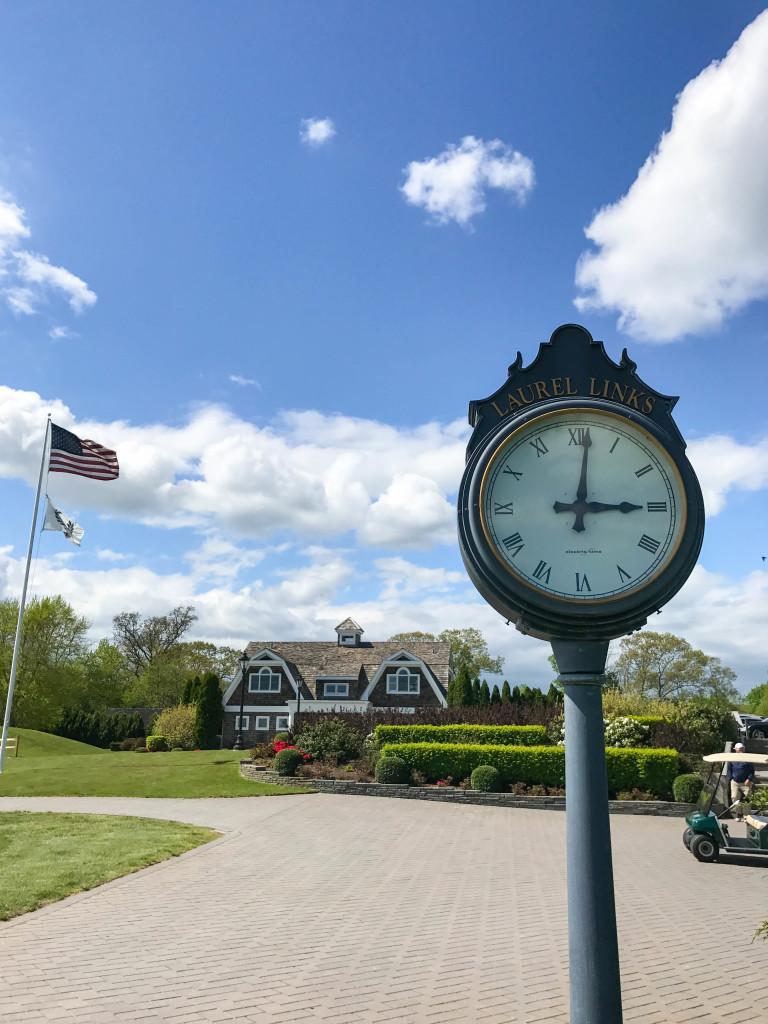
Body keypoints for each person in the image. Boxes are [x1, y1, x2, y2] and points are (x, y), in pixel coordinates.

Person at [727, 743, 754, 820]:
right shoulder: (732, 759)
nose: (741, 750)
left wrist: (749, 779)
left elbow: (752, 771)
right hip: (735, 781)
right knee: (734, 797)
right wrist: (730, 778)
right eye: (739, 748)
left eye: (742, 748)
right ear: (735, 750)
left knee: (747, 798)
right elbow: (729, 770)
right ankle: (739, 813)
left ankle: (746, 815)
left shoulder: (748, 759)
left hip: (746, 782)